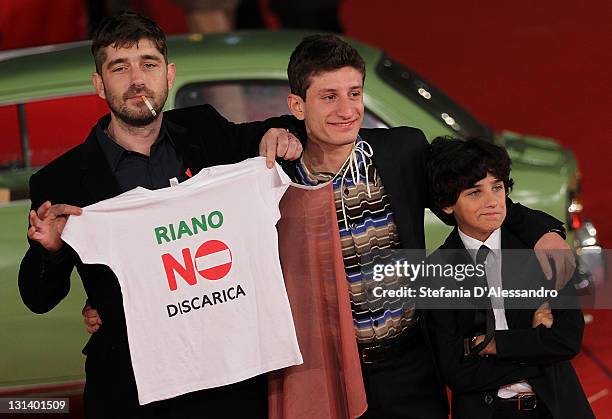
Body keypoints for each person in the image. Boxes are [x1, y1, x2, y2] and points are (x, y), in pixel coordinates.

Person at [18, 11, 302, 418]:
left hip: (231, 379)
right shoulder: (60, 181)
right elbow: (38, 298)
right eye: (120, 67)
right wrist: (51, 250)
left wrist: (275, 134)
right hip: (132, 390)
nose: (137, 80)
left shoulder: (205, 130)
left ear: (168, 75)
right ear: (99, 85)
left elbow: (269, 132)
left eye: (148, 64)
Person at [279, 35, 576, 418]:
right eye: (329, 96)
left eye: (354, 93)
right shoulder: (277, 176)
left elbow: (472, 194)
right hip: (329, 372)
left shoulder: (402, 151)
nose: (347, 109)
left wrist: (542, 231)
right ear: (297, 106)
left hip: (410, 368)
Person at [424, 136, 594, 419]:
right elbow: (457, 373)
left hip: (557, 409)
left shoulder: (539, 248)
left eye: (497, 188)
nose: (492, 202)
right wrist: (535, 344)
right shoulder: (438, 270)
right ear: (446, 204)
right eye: (474, 192)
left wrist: (491, 344)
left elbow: (567, 340)